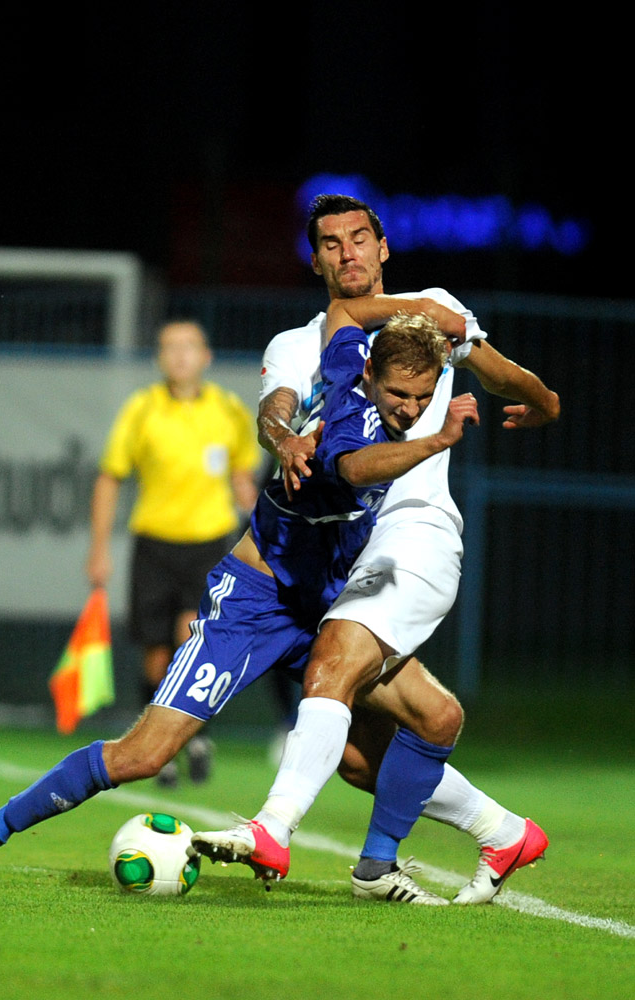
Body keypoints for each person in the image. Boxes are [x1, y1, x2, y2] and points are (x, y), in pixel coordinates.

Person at [0, 311, 479, 889]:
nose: (410, 408)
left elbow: (347, 315)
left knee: (420, 725)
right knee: (143, 756)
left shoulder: (344, 363)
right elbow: (352, 467)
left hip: (324, 610)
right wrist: (437, 440)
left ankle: (415, 855)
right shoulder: (356, 425)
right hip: (254, 604)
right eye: (399, 394)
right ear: (371, 376)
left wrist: (425, 316)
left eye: (422, 397)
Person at [193, 194, 559, 904]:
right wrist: (282, 436)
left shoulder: (429, 322)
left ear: (383, 247)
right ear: (315, 259)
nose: (348, 253)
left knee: (332, 661)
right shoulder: (305, 342)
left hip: (414, 535)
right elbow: (278, 409)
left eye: (360, 238)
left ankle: (274, 829)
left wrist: (543, 398)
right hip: (344, 554)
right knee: (361, 756)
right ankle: (502, 830)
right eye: (331, 243)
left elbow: (499, 371)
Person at [86, 318, 260, 787]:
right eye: (170, 347)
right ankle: (157, 747)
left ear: (206, 356)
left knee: (191, 641)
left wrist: (259, 523)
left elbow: (243, 477)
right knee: (156, 653)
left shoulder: (228, 409)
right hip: (154, 542)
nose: (180, 355)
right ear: (160, 358)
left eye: (189, 346)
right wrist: (98, 548)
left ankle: (195, 737)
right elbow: (110, 477)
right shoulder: (142, 409)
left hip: (208, 542)